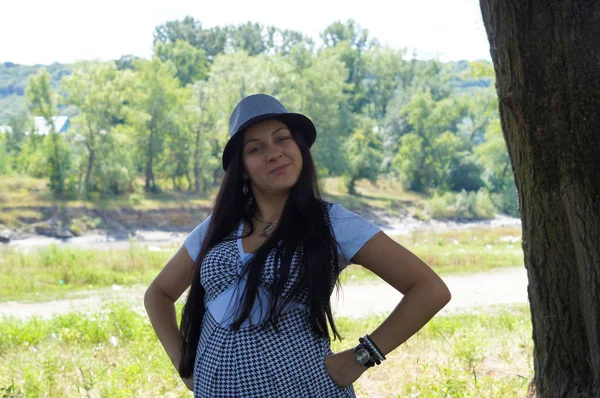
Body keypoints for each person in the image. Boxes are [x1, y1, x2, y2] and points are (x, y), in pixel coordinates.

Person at [144, 94, 451, 397]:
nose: (274, 153)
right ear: (242, 167)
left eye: (282, 139)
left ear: (300, 148)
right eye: (256, 148)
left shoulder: (332, 223)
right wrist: (184, 365)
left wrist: (362, 356)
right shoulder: (216, 229)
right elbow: (158, 294)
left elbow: (428, 289)